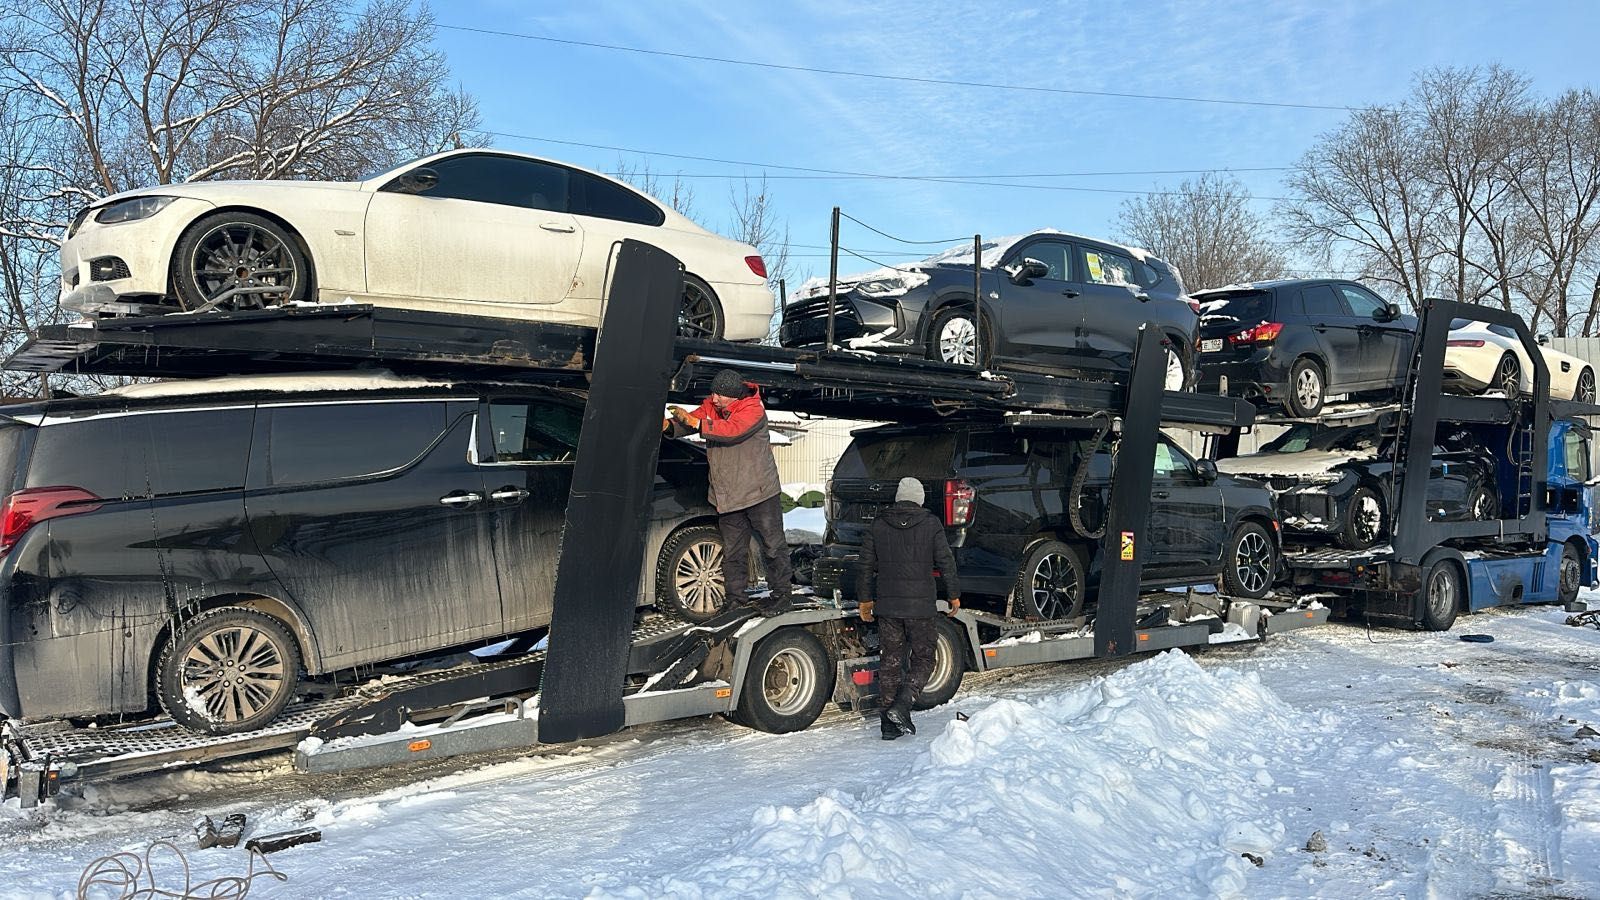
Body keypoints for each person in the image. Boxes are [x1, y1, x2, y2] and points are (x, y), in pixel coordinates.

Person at [665, 368, 793, 616]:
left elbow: (730, 430)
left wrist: (696, 423)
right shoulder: (712, 406)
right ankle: (736, 599)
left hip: (760, 493)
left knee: (773, 546)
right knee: (733, 551)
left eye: (720, 396)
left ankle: (782, 595)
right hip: (728, 496)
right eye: (713, 393)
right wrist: (670, 426)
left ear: (734, 396)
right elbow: (692, 422)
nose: (714, 399)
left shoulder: (753, 409)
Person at [856, 477, 960, 740]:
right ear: (920, 499)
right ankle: (903, 704)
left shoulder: (878, 524)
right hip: (921, 607)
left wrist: (865, 600)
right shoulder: (931, 523)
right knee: (925, 658)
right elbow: (946, 562)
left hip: (888, 607)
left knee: (890, 662)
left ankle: (888, 727)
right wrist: (954, 595)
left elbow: (865, 566)